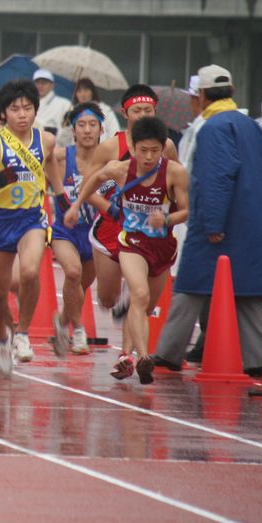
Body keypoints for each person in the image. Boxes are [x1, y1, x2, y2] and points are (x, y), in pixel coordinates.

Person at [153, 66, 262, 376]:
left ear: (202, 95)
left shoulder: (213, 128)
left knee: (190, 284)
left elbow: (217, 178)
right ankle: (260, 360)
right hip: (254, 222)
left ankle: (168, 352)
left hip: (220, 225)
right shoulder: (249, 124)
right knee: (249, 293)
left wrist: (213, 224)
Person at [65, 116, 188, 383]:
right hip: (131, 243)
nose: (148, 157)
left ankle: (130, 352)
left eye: (155, 151)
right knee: (139, 294)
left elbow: (187, 211)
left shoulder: (174, 172)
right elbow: (93, 180)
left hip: (162, 247)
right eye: (143, 150)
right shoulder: (120, 169)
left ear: (163, 149)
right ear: (133, 147)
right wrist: (76, 207)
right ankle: (141, 357)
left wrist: (166, 219)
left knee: (144, 306)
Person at [0, 78, 62, 376]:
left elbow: (55, 181)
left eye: (28, 108)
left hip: (32, 219)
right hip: (0, 223)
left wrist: (65, 207)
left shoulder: (45, 140)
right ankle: (4, 340)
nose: (22, 114)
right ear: (4, 113)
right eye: (15, 108)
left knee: (31, 271)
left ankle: (22, 333)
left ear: (35, 110)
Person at [79, 84, 177, 357]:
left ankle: (127, 355)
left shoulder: (166, 147)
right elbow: (87, 189)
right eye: (137, 110)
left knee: (139, 297)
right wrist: (110, 208)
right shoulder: (111, 147)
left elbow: (174, 186)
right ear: (125, 113)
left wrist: (168, 217)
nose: (143, 114)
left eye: (148, 110)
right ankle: (118, 302)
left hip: (147, 231)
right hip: (112, 227)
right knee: (108, 298)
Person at [49, 102, 105, 357]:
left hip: (93, 234)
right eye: (81, 125)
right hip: (65, 231)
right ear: (73, 131)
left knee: (80, 287)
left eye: (92, 125)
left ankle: (61, 322)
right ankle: (78, 329)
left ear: (101, 129)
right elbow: (40, 166)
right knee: (72, 273)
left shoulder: (108, 161)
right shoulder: (61, 157)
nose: (87, 130)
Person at [33, 69, 71, 136]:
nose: (40, 86)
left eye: (44, 83)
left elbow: (69, 129)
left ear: (52, 85)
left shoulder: (65, 104)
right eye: (38, 82)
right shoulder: (29, 103)